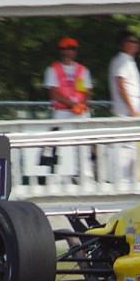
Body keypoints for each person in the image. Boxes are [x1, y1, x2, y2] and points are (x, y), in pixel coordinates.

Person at [41, 36, 93, 181]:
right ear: (61, 51)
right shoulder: (53, 69)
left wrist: (81, 104)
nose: (69, 51)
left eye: (72, 48)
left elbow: (87, 91)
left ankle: (85, 177)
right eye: (66, 48)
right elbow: (54, 92)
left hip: (79, 112)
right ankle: (60, 178)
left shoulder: (82, 70)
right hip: (62, 112)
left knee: (84, 146)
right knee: (62, 146)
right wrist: (72, 104)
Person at [108, 31, 140, 185]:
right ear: (124, 44)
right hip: (126, 112)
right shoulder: (121, 60)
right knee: (125, 147)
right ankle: (122, 180)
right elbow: (121, 85)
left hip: (131, 111)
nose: (134, 44)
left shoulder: (129, 61)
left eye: (136, 42)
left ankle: (131, 179)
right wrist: (132, 109)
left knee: (132, 148)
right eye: (131, 41)